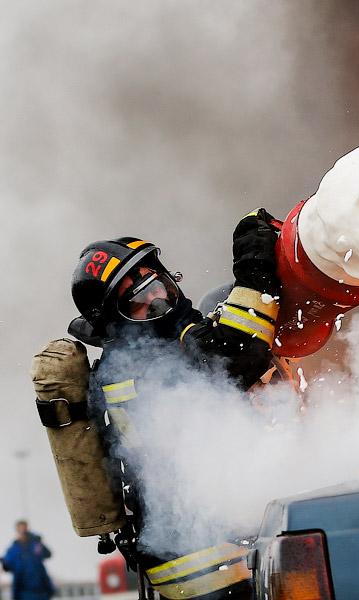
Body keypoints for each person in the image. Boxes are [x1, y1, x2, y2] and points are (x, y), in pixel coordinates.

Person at [66, 208, 282, 600]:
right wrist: (255, 269)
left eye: (156, 282)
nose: (156, 299)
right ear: (116, 321)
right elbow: (235, 358)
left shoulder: (155, 352)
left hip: (214, 554)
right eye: (137, 299)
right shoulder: (133, 370)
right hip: (206, 567)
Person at [1, 521, 54, 600]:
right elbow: (7, 566)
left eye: (25, 529)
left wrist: (39, 541)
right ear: (17, 530)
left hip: (42, 590)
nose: (23, 531)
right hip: (23, 592)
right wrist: (3, 562)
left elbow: (48, 554)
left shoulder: (36, 544)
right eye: (20, 529)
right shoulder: (13, 549)